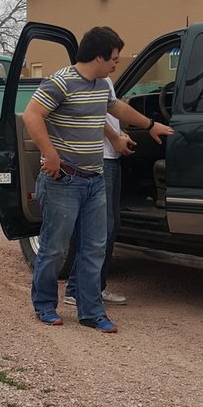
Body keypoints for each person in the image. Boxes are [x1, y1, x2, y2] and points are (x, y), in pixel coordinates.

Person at [22, 26, 172, 332]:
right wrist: (49, 155)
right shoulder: (60, 82)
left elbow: (118, 108)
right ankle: (44, 305)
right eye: (114, 58)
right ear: (99, 56)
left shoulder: (101, 84)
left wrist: (150, 124)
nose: (116, 64)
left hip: (94, 179)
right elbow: (31, 115)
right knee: (54, 246)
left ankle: (91, 311)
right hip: (64, 180)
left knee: (95, 247)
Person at [64, 71, 135, 309]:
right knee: (98, 230)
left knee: (109, 227)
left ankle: (95, 287)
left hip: (111, 158)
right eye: (113, 57)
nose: (116, 63)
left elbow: (113, 113)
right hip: (100, 158)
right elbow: (94, 114)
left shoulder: (105, 81)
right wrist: (115, 138)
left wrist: (120, 134)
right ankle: (76, 289)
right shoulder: (86, 81)